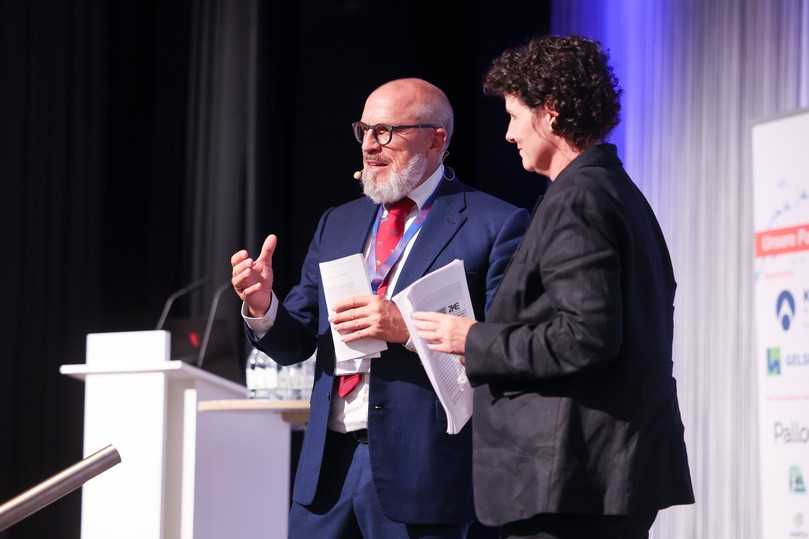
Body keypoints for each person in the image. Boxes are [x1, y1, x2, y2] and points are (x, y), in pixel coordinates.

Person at [413, 36, 694, 539]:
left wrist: (471, 339)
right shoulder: (610, 191)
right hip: (593, 475)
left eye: (515, 116)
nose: (507, 134)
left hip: (575, 479)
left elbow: (585, 336)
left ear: (552, 114)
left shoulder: (579, 199)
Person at [230, 78, 528, 539]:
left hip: (421, 472)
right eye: (365, 130)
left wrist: (405, 328)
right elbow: (295, 344)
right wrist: (263, 305)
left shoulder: (494, 224)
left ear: (436, 138)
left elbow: (505, 349)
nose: (370, 145)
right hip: (327, 471)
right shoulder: (339, 221)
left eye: (387, 131)